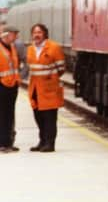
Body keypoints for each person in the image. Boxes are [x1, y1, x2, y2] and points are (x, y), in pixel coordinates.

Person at [26, 23, 65, 152]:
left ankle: (50, 143)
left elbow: (61, 68)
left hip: (49, 89)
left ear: (45, 34)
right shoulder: (30, 49)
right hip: (35, 88)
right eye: (34, 32)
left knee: (49, 118)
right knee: (38, 116)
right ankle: (42, 141)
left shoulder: (54, 48)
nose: (36, 35)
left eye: (39, 32)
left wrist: (50, 78)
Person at [0, 25, 21, 153]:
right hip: (1, 86)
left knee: (9, 115)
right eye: (15, 34)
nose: (17, 37)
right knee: (2, 115)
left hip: (12, 86)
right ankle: (2, 143)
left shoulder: (12, 47)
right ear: (7, 35)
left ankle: (8, 142)